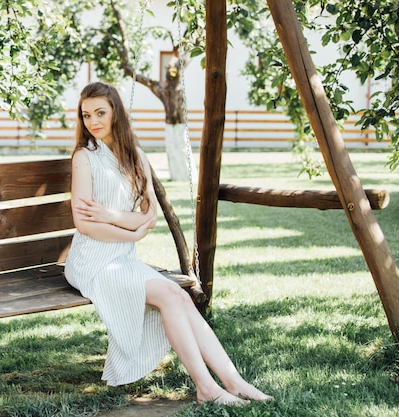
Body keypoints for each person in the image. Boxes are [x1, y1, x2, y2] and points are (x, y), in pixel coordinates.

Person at [64, 81, 272, 406]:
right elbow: (85, 225)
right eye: (86, 114)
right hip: (92, 262)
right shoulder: (84, 157)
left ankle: (233, 381)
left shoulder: (135, 156)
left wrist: (108, 214)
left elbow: (150, 215)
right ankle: (206, 388)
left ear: (116, 112)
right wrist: (130, 230)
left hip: (122, 259)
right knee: (171, 295)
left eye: (100, 112)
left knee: (179, 296)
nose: (93, 121)